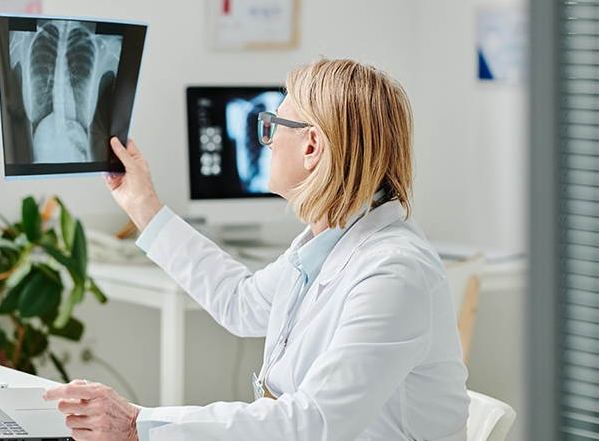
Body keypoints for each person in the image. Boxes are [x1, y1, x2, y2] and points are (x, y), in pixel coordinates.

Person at [43, 57, 470, 441]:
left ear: (311, 146)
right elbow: (240, 302)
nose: (267, 140)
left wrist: (139, 424)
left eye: (273, 124)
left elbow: (313, 423)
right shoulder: (328, 242)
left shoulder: (394, 273)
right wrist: (143, 205)